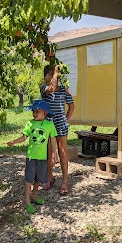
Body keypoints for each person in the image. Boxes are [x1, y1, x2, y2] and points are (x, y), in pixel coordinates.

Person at [7, 100, 58, 214]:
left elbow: (53, 141)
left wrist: (55, 154)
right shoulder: (30, 124)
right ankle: (27, 202)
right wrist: (14, 142)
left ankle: (34, 196)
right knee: (29, 179)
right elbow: (24, 137)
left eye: (37, 111)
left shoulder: (49, 125)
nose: (34, 114)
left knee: (39, 179)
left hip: (42, 157)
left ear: (45, 113)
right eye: (33, 111)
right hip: (31, 157)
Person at [41, 64, 74, 195]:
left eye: (52, 75)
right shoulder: (44, 88)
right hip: (48, 124)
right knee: (49, 153)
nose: (51, 77)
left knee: (62, 151)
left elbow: (71, 106)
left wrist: (66, 119)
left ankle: (65, 181)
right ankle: (50, 177)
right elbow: (52, 88)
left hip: (61, 124)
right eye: (48, 75)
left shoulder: (64, 91)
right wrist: (55, 72)